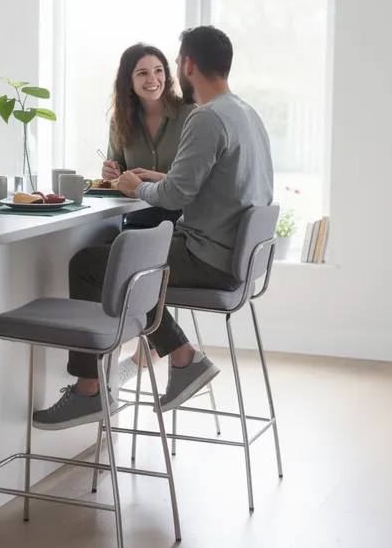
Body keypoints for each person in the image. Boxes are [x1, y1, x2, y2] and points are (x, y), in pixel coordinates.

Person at [33, 25, 274, 430]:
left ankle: (93, 388)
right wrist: (146, 180)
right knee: (128, 256)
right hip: (239, 256)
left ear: (186, 65)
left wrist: (136, 184)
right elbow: (199, 185)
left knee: (91, 263)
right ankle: (179, 358)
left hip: (210, 255)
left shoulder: (206, 118)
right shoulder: (246, 113)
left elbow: (176, 195)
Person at [102, 43, 197, 229]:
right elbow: (117, 174)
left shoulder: (190, 115)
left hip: (183, 223)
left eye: (158, 71)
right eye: (142, 73)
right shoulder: (120, 120)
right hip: (137, 220)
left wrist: (157, 179)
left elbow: (196, 182)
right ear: (128, 80)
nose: (153, 79)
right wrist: (111, 173)